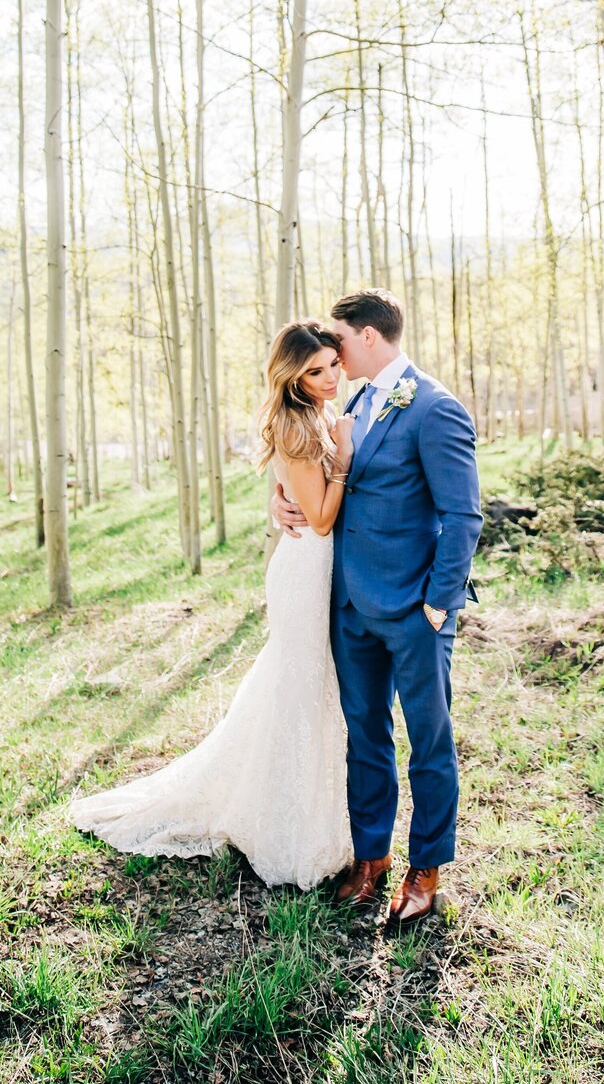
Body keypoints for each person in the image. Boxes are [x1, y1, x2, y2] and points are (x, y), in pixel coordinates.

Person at [71, 320, 353, 889]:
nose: (328, 378)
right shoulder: (297, 425)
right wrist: (342, 459)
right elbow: (320, 517)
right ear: (291, 377)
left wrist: (289, 491)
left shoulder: (316, 415)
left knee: (311, 690)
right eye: (314, 370)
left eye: (332, 366)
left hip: (321, 567)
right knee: (301, 689)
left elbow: (302, 496)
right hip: (304, 570)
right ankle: (284, 827)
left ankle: (308, 812)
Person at [270, 287, 483, 932]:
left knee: (428, 739)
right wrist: (279, 506)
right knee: (364, 735)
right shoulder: (352, 400)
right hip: (348, 603)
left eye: (338, 339)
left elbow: (463, 515)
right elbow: (322, 479)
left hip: (416, 611)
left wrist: (438, 607)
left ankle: (426, 871)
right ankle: (371, 858)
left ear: (365, 337)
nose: (331, 353)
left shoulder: (435, 408)